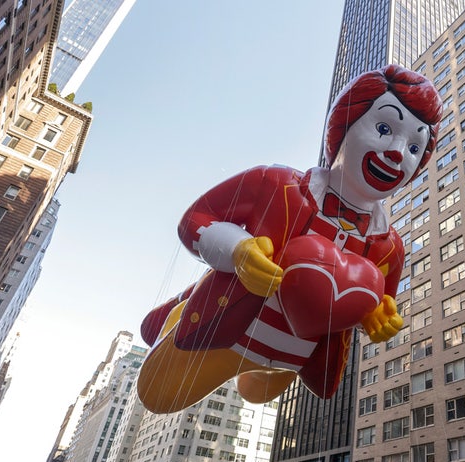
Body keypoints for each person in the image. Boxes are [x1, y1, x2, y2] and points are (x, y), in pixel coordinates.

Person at [138, 64, 442, 414]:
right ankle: (182, 307)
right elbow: (195, 219)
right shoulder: (275, 183)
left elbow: (380, 303)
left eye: (415, 147)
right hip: (227, 335)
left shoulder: (391, 248)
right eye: (385, 128)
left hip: (293, 361)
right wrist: (238, 250)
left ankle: (260, 358)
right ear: (344, 124)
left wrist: (377, 319)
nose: (398, 153)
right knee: (156, 395)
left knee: (255, 392)